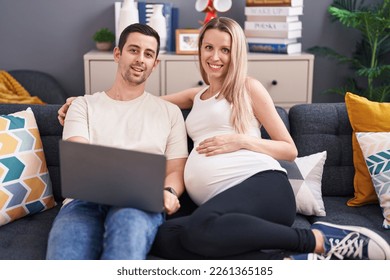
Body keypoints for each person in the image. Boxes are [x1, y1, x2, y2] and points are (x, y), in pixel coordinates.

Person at [58, 18, 390, 260]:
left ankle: (317, 240)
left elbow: (289, 149)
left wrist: (242, 141)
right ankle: (284, 261)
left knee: (199, 229)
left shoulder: (247, 87)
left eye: (225, 49)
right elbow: (140, 101)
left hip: (261, 185)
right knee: (164, 240)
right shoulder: (195, 95)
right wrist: (80, 102)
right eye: (208, 47)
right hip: (220, 204)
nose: (215, 56)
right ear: (199, 50)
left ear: (236, 53)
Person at [46, 23, 188, 260]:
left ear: (155, 64)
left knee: (124, 250)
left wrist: (169, 192)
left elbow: (175, 170)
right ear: (117, 54)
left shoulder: (170, 113)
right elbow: (79, 160)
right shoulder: (82, 106)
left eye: (148, 54)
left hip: (139, 203)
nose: (140, 59)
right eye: (133, 50)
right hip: (84, 202)